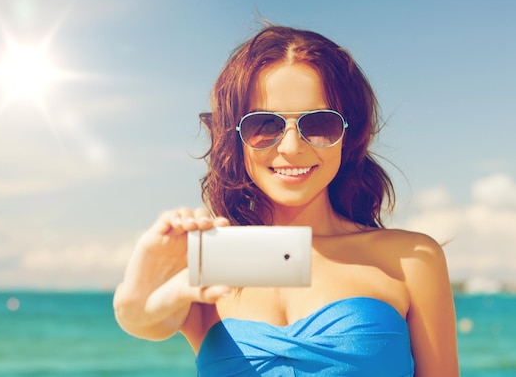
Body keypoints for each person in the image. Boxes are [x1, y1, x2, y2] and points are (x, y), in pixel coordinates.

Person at [113, 25, 459, 376]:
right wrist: (138, 290)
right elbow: (144, 320)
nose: (292, 148)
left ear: (348, 134)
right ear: (236, 138)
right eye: (264, 124)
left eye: (319, 123)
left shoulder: (409, 260)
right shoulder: (215, 258)